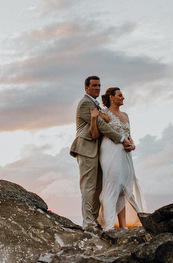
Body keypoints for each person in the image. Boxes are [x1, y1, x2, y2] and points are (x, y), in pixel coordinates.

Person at [70, 76, 133, 230]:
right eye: (94, 85)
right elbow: (102, 126)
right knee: (88, 187)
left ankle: (94, 220)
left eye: (99, 85)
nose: (97, 88)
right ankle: (88, 223)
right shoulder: (86, 103)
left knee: (98, 187)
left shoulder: (95, 104)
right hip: (86, 149)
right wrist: (122, 139)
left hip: (98, 150)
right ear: (86, 87)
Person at [98, 87, 146, 230]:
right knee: (112, 186)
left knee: (123, 187)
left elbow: (130, 136)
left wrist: (132, 146)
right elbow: (103, 131)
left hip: (125, 155)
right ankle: (108, 226)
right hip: (110, 151)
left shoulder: (125, 115)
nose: (123, 97)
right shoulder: (104, 114)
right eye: (120, 95)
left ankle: (123, 226)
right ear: (111, 97)